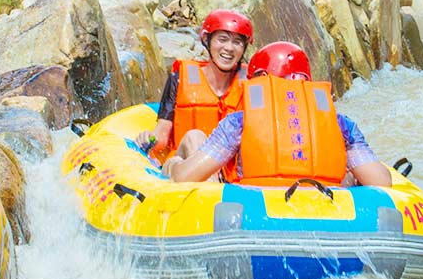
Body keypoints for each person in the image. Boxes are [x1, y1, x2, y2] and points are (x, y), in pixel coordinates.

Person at [166, 40, 392, 188]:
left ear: (258, 80)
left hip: (256, 216)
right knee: (350, 177)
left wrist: (174, 164)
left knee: (180, 161)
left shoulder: (239, 122)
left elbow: (186, 177)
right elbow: (381, 183)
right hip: (323, 210)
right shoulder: (340, 124)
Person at [136, 9, 253, 160]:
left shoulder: (252, 85)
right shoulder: (179, 78)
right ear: (207, 40)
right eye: (222, 39)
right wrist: (149, 139)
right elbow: (162, 134)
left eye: (237, 42)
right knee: (195, 138)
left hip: (227, 176)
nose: (229, 48)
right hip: (183, 165)